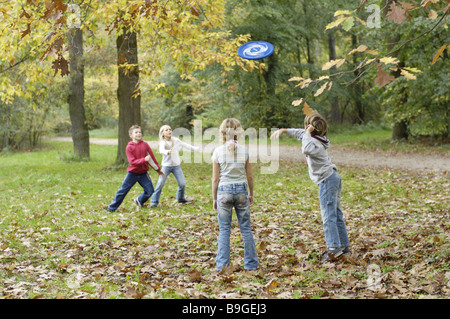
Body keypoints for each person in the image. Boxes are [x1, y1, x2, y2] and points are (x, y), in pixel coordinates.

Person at [270, 111, 350, 263]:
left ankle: (334, 248)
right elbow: (301, 134)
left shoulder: (314, 145)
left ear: (310, 129)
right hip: (332, 177)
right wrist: (284, 130)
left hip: (327, 180)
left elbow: (305, 148)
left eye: (307, 128)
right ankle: (344, 245)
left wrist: (307, 133)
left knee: (329, 216)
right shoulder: (314, 138)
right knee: (336, 213)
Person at [211, 118, 258, 271]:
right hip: (241, 191)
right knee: (245, 228)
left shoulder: (218, 151)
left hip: (224, 192)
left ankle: (222, 266)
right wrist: (251, 194)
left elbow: (215, 179)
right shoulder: (245, 151)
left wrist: (214, 197)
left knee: (224, 230)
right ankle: (251, 265)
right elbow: (250, 176)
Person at [106, 125, 164, 212]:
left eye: (140, 132)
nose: (138, 134)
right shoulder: (129, 147)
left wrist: (158, 170)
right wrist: (143, 159)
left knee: (150, 191)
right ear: (131, 135)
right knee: (122, 191)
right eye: (136, 132)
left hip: (143, 173)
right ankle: (111, 208)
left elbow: (151, 158)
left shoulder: (145, 145)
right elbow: (132, 162)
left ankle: (139, 200)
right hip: (132, 174)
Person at [150, 125, 200, 207]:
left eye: (170, 129)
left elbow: (185, 145)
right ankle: (154, 202)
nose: (169, 131)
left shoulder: (175, 140)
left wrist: (196, 149)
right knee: (160, 184)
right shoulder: (163, 142)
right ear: (162, 133)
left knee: (182, 184)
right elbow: (162, 150)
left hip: (176, 166)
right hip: (166, 166)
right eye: (166, 130)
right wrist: (168, 151)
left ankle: (181, 199)